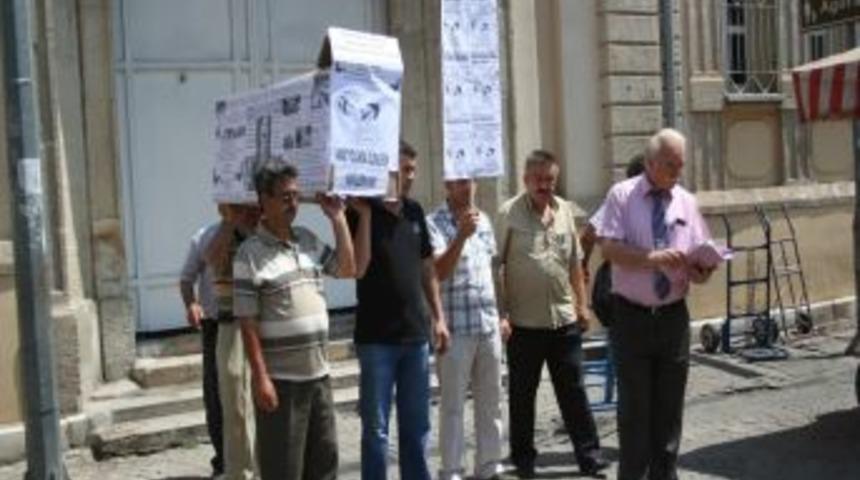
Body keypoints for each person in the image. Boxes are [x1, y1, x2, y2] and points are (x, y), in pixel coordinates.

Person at [233, 165, 369, 479]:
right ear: (263, 200)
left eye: (296, 195)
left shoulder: (307, 240)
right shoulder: (248, 255)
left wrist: (337, 218)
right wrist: (260, 377)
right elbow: (247, 321)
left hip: (318, 377)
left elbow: (348, 268)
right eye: (284, 196)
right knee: (284, 471)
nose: (293, 203)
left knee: (324, 467)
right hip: (282, 384)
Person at [597, 128, 715, 480]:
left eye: (681, 165)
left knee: (668, 416)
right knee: (634, 416)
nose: (677, 172)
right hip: (631, 317)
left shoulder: (686, 201)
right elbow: (610, 249)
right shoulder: (621, 195)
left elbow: (698, 261)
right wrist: (654, 258)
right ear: (650, 163)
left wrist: (702, 269)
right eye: (670, 165)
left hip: (673, 319)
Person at [496, 149, 607, 478]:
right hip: (523, 324)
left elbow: (575, 263)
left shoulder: (564, 213)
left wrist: (582, 304)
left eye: (550, 180)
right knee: (522, 396)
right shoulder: (508, 213)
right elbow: (496, 266)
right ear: (526, 179)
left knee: (574, 392)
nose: (545, 185)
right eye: (539, 179)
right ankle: (524, 460)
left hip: (563, 320)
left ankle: (590, 456)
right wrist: (502, 313)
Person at [350, 140, 451, 480]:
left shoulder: (415, 211)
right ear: (387, 171)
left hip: (415, 337)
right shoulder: (359, 212)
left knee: (417, 426)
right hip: (376, 339)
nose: (411, 176)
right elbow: (356, 267)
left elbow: (427, 269)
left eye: (413, 170)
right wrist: (361, 212)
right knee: (376, 430)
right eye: (405, 170)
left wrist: (438, 317)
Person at [427, 178, 509, 480]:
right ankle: (451, 470)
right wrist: (460, 236)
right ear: (447, 185)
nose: (467, 187)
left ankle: (489, 465)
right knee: (453, 405)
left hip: (487, 324)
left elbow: (493, 270)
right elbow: (437, 272)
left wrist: (502, 314)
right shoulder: (433, 223)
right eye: (460, 182)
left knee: (491, 402)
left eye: (470, 181)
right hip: (455, 328)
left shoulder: (484, 219)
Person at [206, 202, 261, 480]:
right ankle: (239, 473)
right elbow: (212, 260)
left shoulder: (267, 235)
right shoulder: (222, 234)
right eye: (244, 206)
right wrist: (230, 222)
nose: (250, 212)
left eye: (255, 206)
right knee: (235, 407)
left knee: (265, 407)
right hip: (232, 327)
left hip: (265, 326)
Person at [179, 206, 229, 478]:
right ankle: (222, 461)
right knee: (216, 396)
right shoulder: (204, 236)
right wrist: (192, 304)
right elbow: (186, 280)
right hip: (215, 325)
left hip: (253, 325)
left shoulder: (258, 233)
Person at [580, 155, 646, 326]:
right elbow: (588, 235)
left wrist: (583, 266)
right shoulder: (622, 202)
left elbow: (588, 236)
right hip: (624, 287)